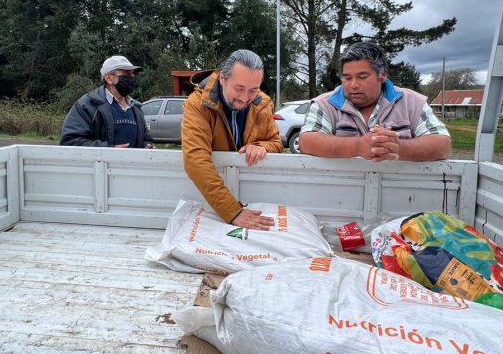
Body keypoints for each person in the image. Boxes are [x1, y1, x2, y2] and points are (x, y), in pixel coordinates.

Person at [181, 49, 284, 230]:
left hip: (253, 197)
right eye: (239, 88)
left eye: (253, 90)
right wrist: (233, 211)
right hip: (210, 204)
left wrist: (262, 146)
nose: (245, 98)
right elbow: (196, 159)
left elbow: (276, 142)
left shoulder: (263, 103)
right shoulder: (197, 105)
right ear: (223, 79)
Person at [299, 42, 451, 161]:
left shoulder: (412, 102)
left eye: (362, 77)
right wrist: (358, 146)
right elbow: (307, 141)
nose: (353, 85)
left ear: (382, 74)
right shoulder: (325, 104)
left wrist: (398, 147)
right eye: (347, 77)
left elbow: (442, 144)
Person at [60, 55, 155, 148]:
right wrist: (109, 150)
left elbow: (145, 139)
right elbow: (70, 141)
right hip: (101, 164)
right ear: (108, 77)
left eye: (133, 74)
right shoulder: (87, 105)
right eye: (126, 74)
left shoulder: (136, 109)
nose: (132, 78)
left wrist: (148, 146)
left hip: (132, 164)